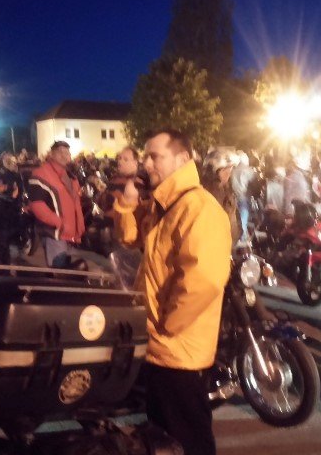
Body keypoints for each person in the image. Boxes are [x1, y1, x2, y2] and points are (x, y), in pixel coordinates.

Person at [113, 128, 231, 455]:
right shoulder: (165, 204)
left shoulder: (199, 208)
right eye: (145, 156)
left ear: (183, 158)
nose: (147, 163)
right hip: (159, 345)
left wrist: (167, 327)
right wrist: (128, 203)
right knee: (164, 437)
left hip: (179, 350)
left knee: (189, 437)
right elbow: (129, 239)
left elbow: (203, 279)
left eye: (155, 156)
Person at [28, 141, 85, 268]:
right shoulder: (41, 173)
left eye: (67, 152)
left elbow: (76, 204)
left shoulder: (71, 176)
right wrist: (60, 223)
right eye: (60, 152)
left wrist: (79, 224)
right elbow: (37, 205)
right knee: (59, 270)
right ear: (51, 154)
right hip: (54, 234)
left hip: (70, 234)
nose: (64, 155)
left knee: (70, 271)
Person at [202, 149, 240, 244]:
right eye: (226, 169)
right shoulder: (213, 193)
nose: (229, 173)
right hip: (215, 244)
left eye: (230, 169)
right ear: (217, 170)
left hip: (222, 243)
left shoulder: (225, 189)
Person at [230, 152, 255, 242]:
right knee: (243, 218)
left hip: (234, 196)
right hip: (245, 196)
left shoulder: (233, 170)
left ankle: (236, 236)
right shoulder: (249, 170)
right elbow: (253, 183)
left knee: (236, 218)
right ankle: (242, 238)